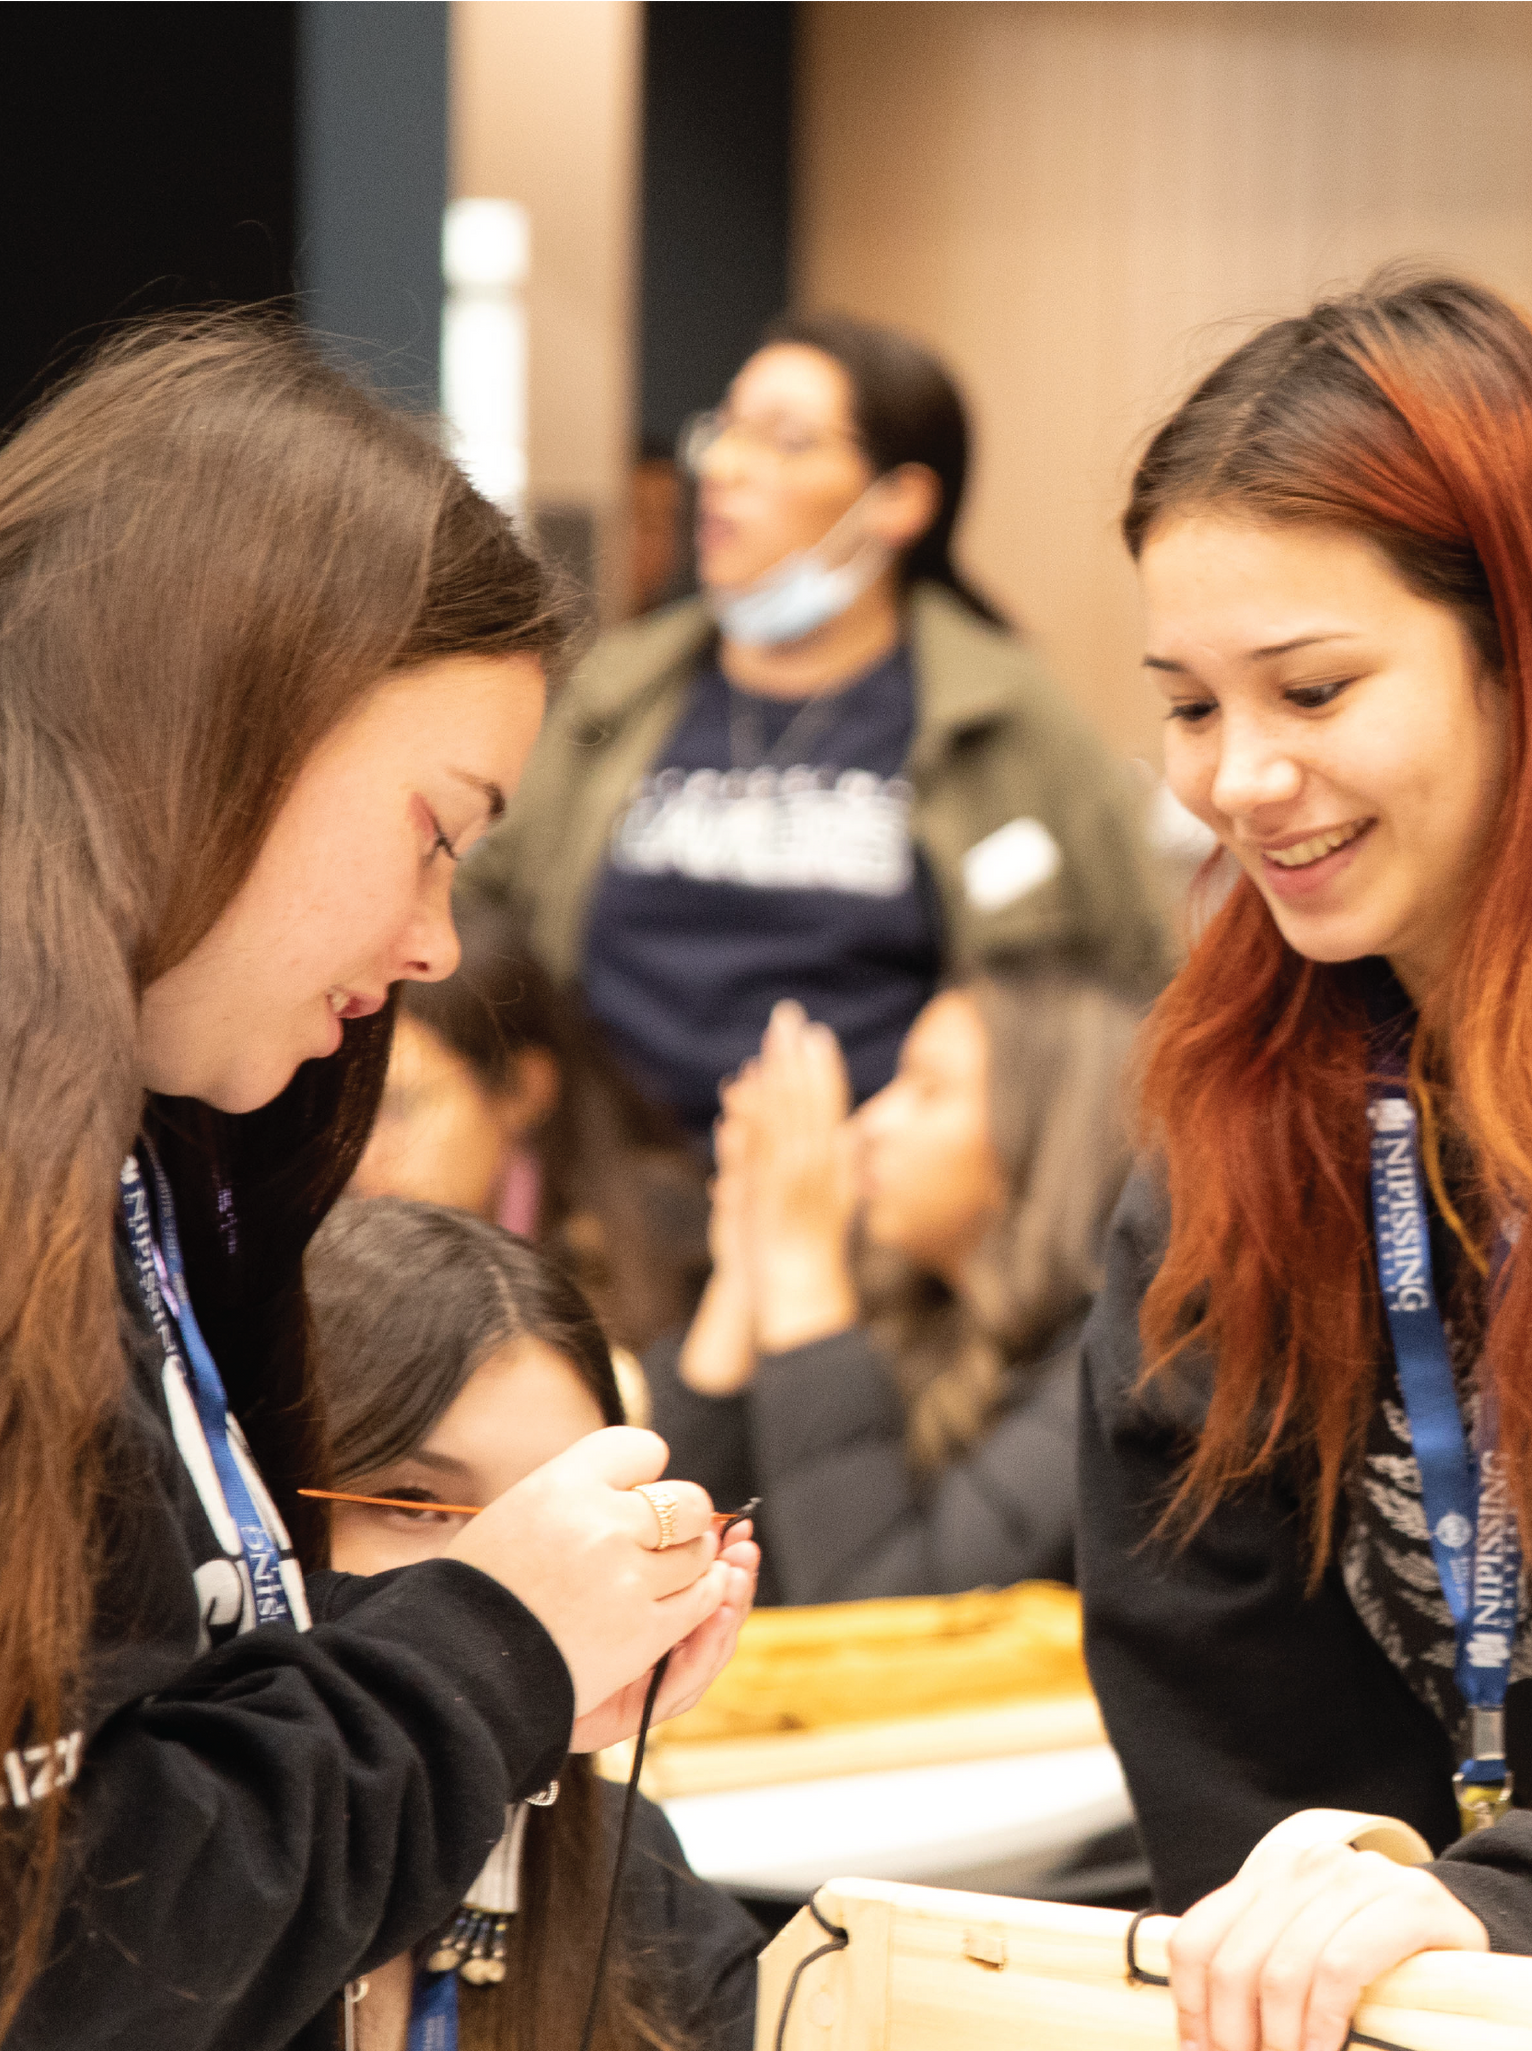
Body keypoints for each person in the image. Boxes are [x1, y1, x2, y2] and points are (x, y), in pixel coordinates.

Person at [0, 316, 932, 2051]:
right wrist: (493, 1646)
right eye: (433, 831)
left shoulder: (98, 1147)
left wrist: (503, 1678)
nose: (443, 939)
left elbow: (122, 1773)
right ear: (220, 727)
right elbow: (38, 1926)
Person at [1077, 271, 1532, 2051]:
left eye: (1314, 689)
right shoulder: (1259, 1098)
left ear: (1530, 642)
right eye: (1187, 704)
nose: (1242, 779)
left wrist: (1522, 1922)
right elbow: (1225, 1710)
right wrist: (1348, 1962)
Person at [266, 1196, 773, 2051]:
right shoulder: (151, 1916)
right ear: (260, 1528)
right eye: (415, 1505)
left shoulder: (623, 1877)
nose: (512, 1587)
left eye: (564, 1523)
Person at [469, 311, 1169, 1147]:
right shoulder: (612, 693)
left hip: (881, 1225)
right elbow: (483, 910)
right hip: (608, 1205)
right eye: (725, 430)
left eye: (787, 441)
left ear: (899, 500)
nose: (725, 467)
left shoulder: (1009, 719)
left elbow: (1131, 989)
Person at [652, 972, 1139, 1603]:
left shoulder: (1131, 1362)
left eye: (927, 1089)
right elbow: (691, 1573)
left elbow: (880, 1619)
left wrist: (800, 1259)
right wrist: (745, 1273)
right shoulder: (912, 1315)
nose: (869, 1123)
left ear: (1054, 1131)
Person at [349, 880, 708, 1351]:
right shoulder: (330, 1254)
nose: (362, 1154)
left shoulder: (659, 1244)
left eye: (399, 1107)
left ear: (522, 1090)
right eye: (349, 1112)